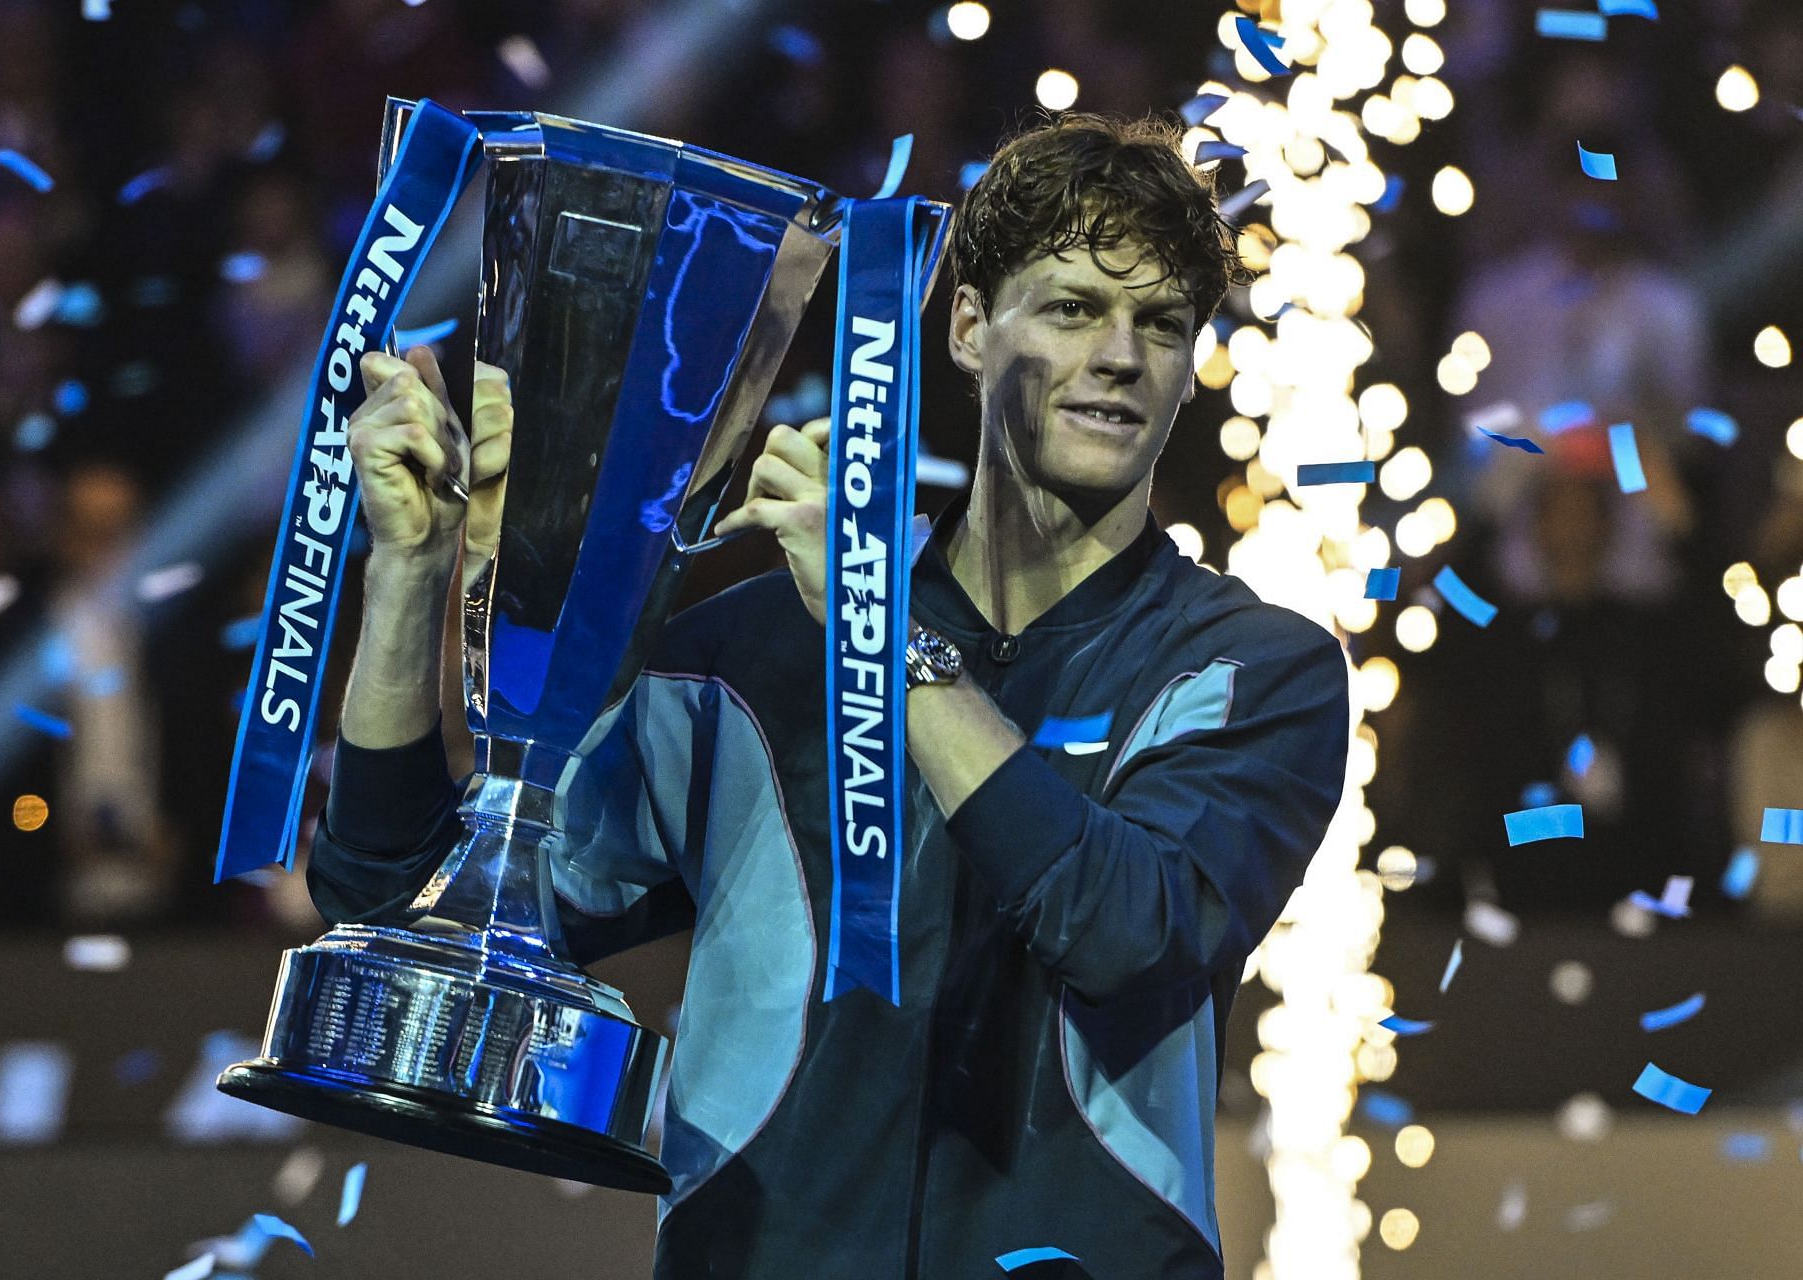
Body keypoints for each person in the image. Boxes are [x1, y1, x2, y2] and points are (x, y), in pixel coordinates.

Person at [307, 113, 1349, 1280]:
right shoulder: (753, 648)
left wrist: (882, 634)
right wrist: (409, 579)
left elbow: (1131, 935)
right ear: (967, 325)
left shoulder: (1254, 669)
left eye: (1161, 324)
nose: (1121, 354)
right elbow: (405, 899)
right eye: (1070, 307)